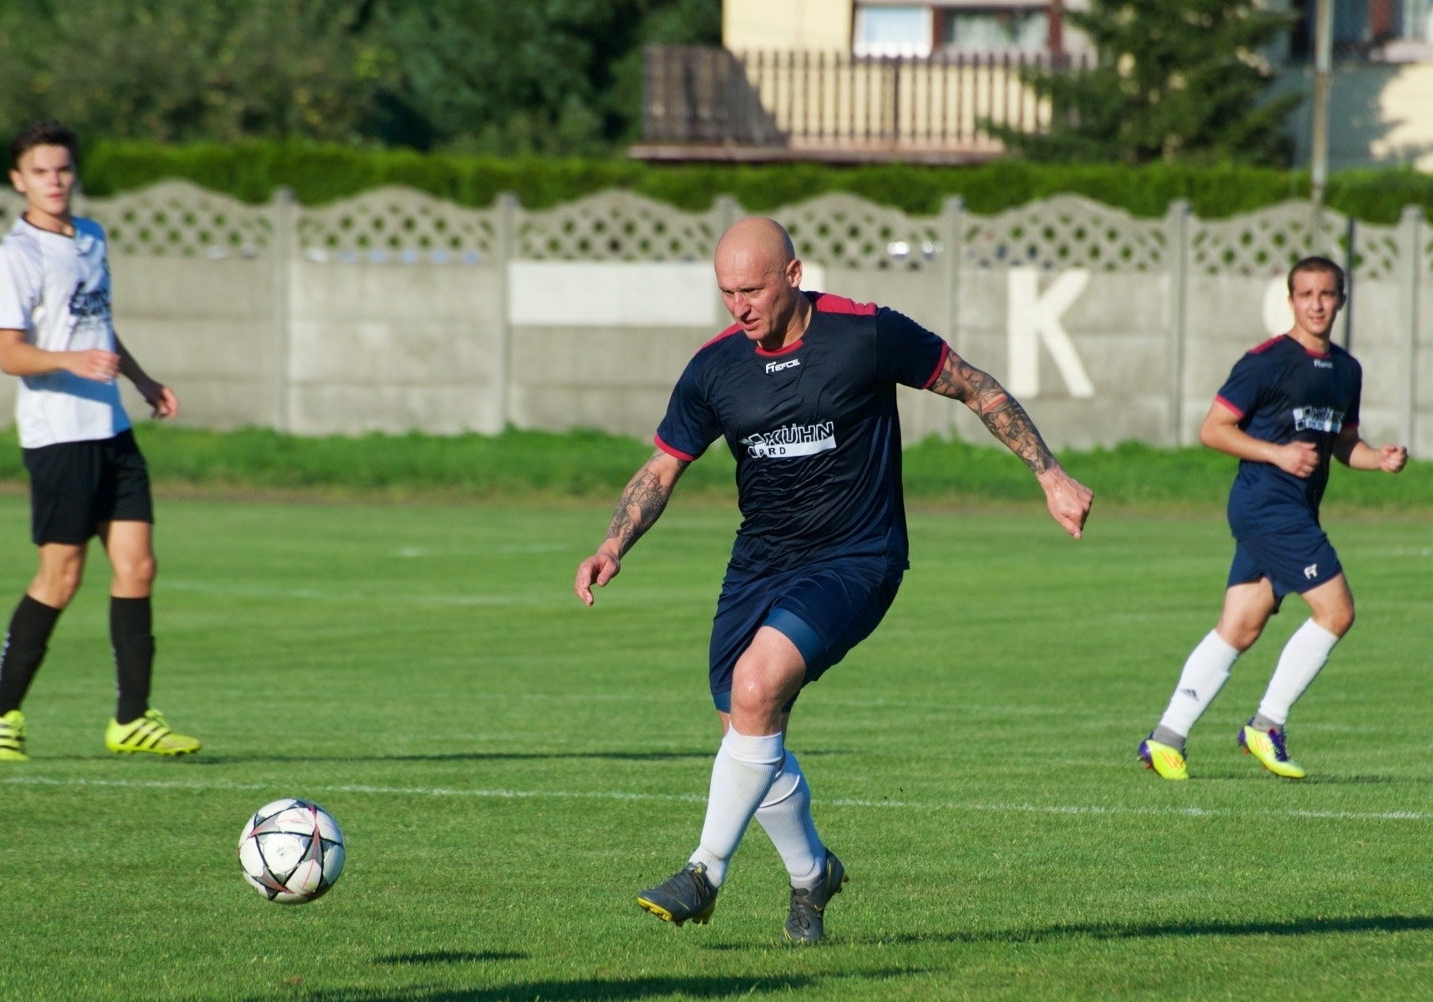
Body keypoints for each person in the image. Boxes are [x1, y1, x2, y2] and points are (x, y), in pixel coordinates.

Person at [573, 217, 1093, 942]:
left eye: (751, 289)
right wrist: (613, 541)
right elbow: (664, 465)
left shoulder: (865, 333)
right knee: (745, 733)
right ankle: (812, 874)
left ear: (793, 274)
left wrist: (1051, 474)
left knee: (755, 690)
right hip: (758, 563)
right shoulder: (715, 366)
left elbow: (975, 386)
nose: (738, 307)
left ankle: (704, 870)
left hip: (857, 556)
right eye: (726, 292)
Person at [0, 121, 200, 760]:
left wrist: (143, 379)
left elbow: (99, 327)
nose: (56, 181)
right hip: (58, 437)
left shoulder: (92, 237)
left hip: (112, 429)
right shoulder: (15, 256)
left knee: (138, 567)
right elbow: (10, 355)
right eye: (41, 171)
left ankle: (132, 719)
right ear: (19, 180)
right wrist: (70, 362)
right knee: (60, 578)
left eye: (63, 169)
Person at [1139, 256, 1406, 782]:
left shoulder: (1347, 370)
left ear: (1341, 301)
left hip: (1291, 509)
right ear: (1290, 301)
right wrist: (1277, 454)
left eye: (1326, 294)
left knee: (1239, 626)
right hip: (1267, 505)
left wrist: (1379, 458)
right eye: (1305, 294)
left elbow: (1344, 443)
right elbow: (1213, 429)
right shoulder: (1265, 362)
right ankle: (1267, 724)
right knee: (1337, 612)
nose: (1316, 304)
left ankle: (1165, 738)